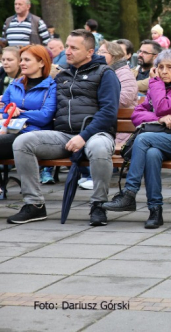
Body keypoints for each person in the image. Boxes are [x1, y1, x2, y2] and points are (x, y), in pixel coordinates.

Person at [8, 30, 120, 226]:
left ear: (89, 52)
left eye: (73, 48)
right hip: (63, 135)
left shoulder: (105, 74)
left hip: (96, 133)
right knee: (23, 142)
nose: (67, 51)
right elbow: (45, 106)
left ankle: (98, 205)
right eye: (67, 46)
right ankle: (34, 204)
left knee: (100, 148)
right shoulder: (62, 76)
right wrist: (11, 111)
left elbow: (109, 112)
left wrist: (83, 137)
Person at [103, 50, 171, 229]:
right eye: (160, 67)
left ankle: (129, 193)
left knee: (144, 139)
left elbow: (162, 107)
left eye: (169, 67)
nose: (164, 71)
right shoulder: (157, 88)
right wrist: (158, 119)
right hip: (160, 139)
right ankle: (155, 210)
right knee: (152, 154)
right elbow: (137, 114)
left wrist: (154, 83)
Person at [0, 45, 57, 162]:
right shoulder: (15, 84)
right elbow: (2, 111)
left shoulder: (52, 87)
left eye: (27, 60)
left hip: (35, 135)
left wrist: (16, 114)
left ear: (41, 63)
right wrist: (8, 112)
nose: (21, 63)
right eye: (21, 60)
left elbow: (44, 117)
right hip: (9, 131)